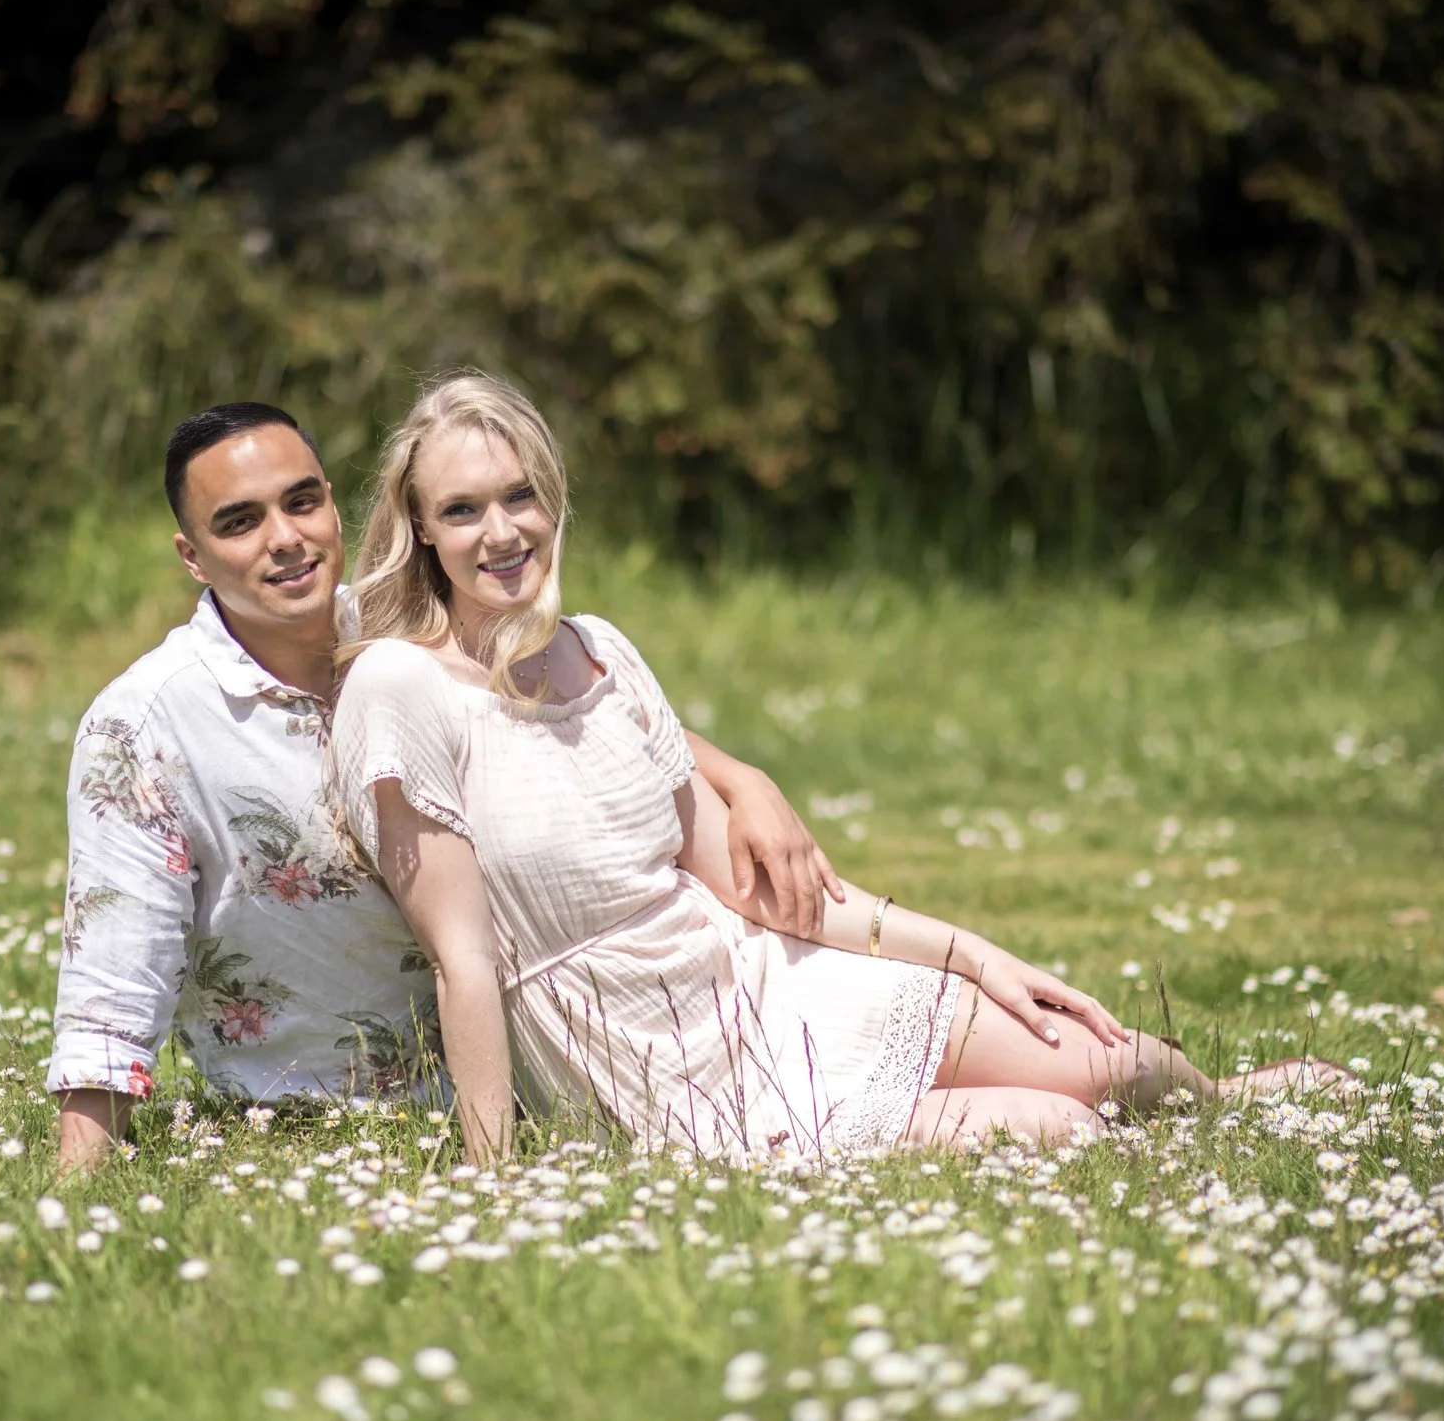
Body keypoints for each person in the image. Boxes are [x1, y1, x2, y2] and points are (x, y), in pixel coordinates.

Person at [329, 372, 1354, 1165]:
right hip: (657, 1063)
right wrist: (491, 1181)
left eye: (520, 498)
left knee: (1123, 1064)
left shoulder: (597, 649)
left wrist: (971, 954)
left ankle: (1230, 1098)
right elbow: (464, 962)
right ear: (420, 527)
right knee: (1059, 1131)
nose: (501, 532)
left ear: (553, 503)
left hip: (758, 979)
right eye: (463, 509)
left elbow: (758, 892)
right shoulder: (400, 690)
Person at [48, 401, 846, 1173]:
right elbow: (115, 979)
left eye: (302, 501)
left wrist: (744, 780)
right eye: (240, 521)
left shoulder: (400, 628)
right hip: (328, 1122)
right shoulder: (148, 725)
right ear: (193, 556)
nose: (285, 539)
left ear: (335, 504)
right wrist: (76, 1192)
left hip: (557, 1070)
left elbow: (568, 712)